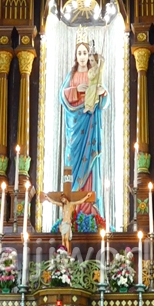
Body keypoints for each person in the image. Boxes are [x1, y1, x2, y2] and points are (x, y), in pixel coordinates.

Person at [60, 30, 108, 217]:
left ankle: (90, 211)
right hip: (75, 126)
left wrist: (103, 93)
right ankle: (72, 212)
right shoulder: (71, 75)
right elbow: (62, 95)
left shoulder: (93, 74)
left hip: (90, 123)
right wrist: (75, 89)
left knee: (90, 165)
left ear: (89, 55)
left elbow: (103, 99)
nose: (82, 56)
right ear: (75, 55)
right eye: (79, 53)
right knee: (72, 164)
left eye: (85, 53)